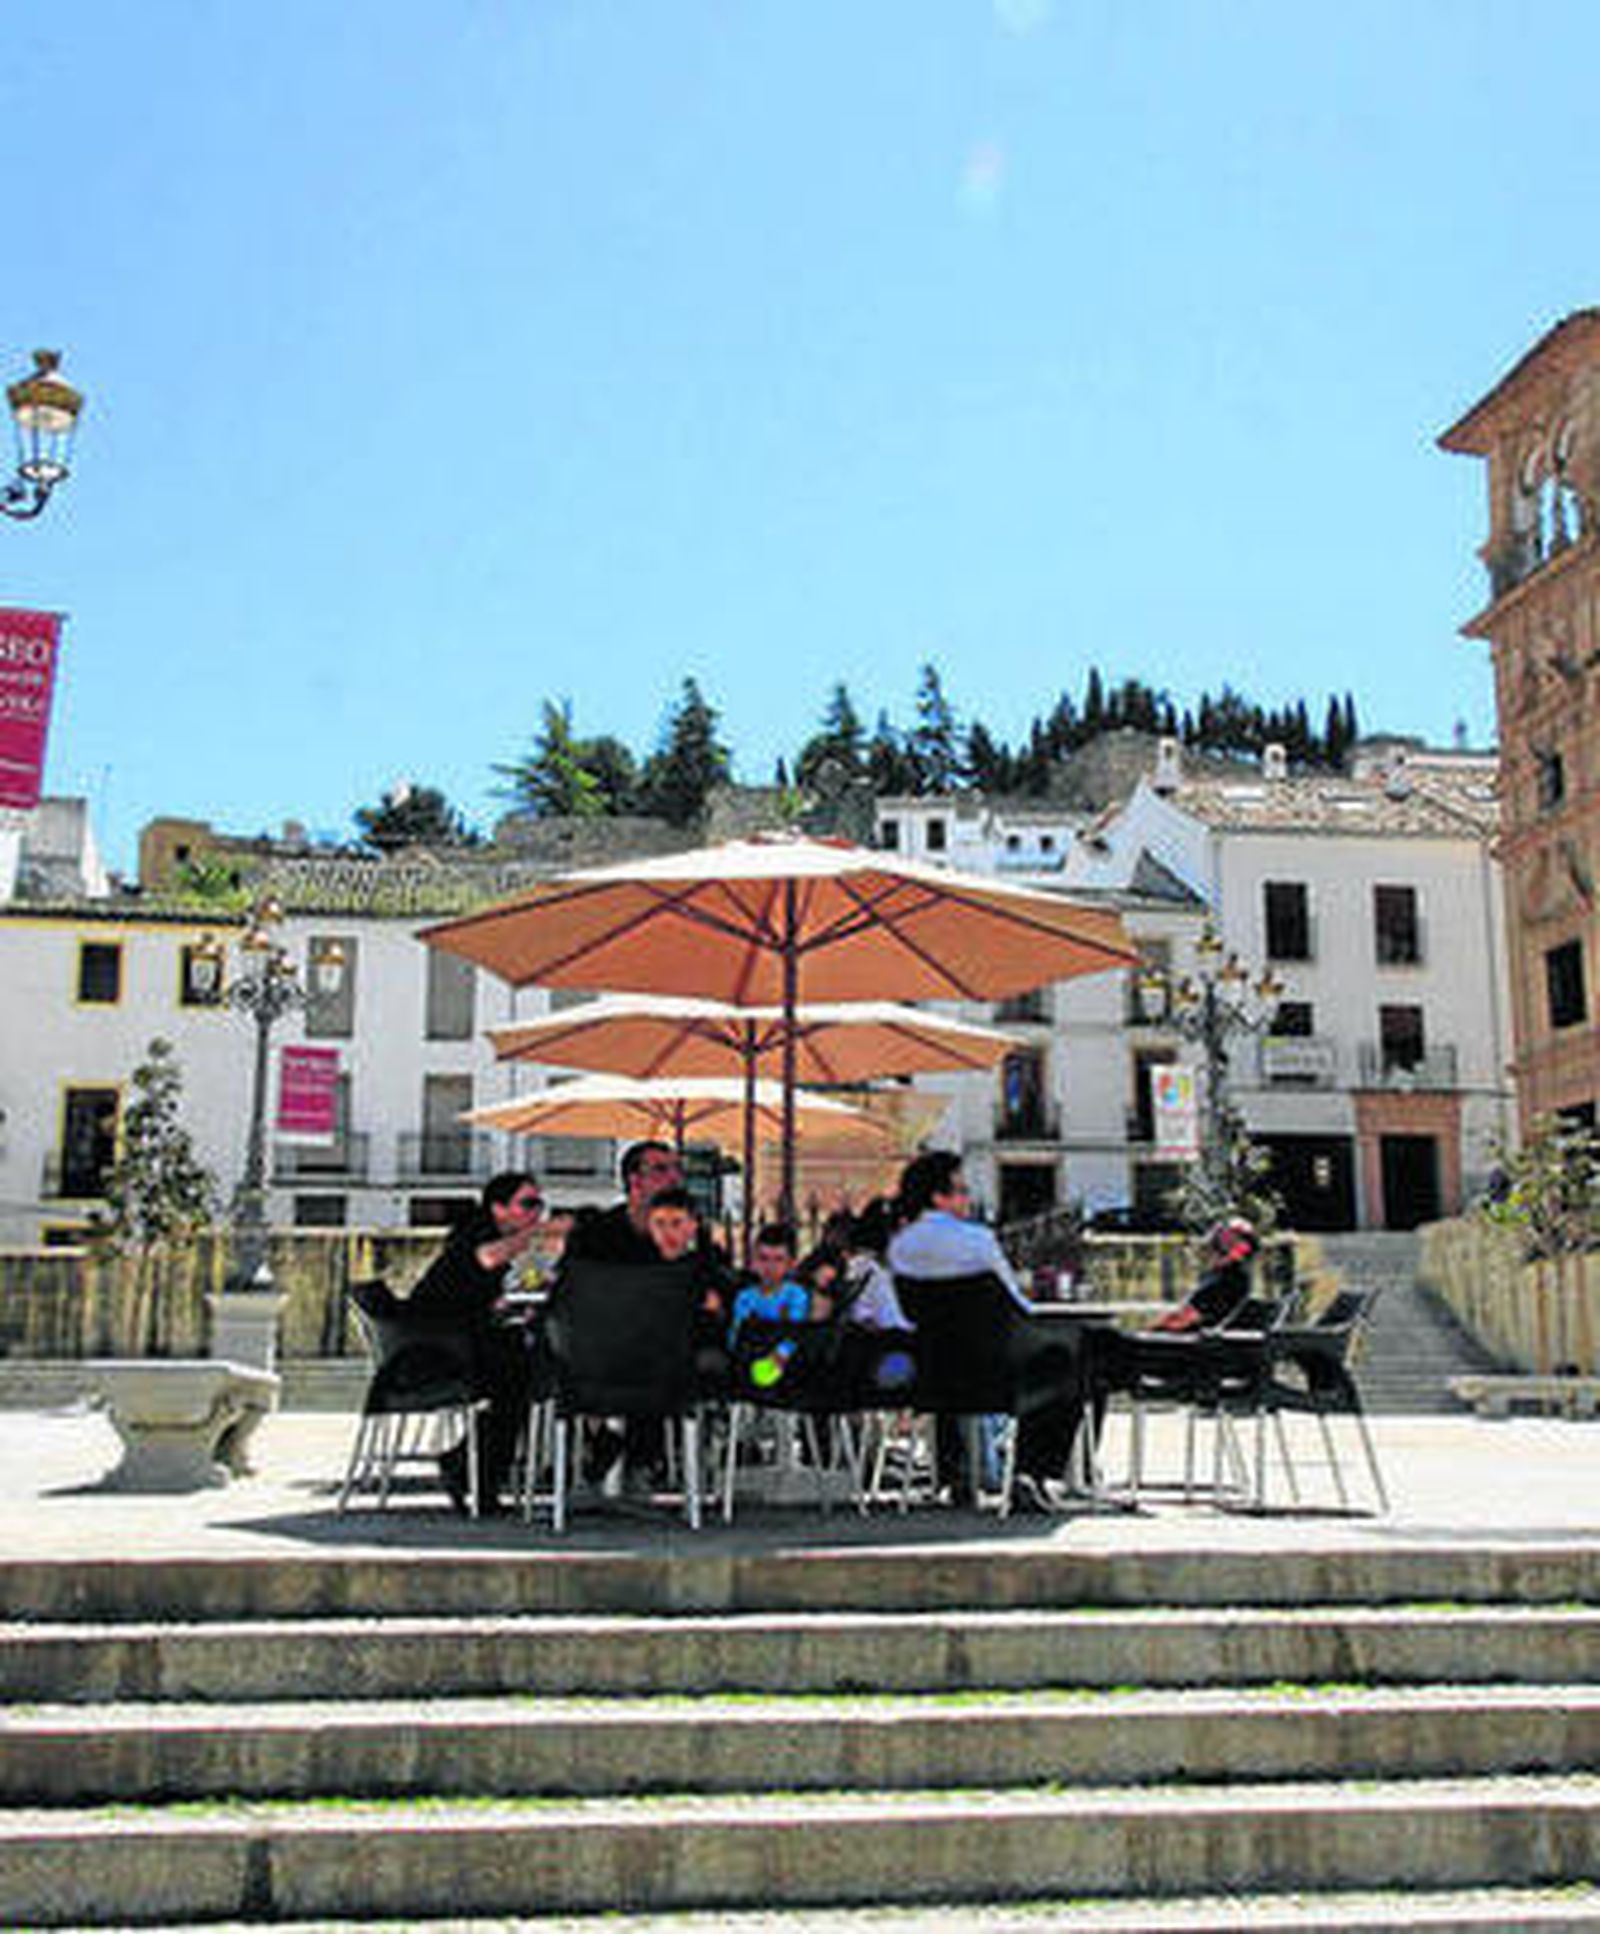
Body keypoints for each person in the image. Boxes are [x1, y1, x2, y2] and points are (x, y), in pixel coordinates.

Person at [886, 1150, 1085, 1513]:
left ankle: (956, 1474)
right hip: (996, 1377)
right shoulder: (977, 1240)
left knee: (952, 1351)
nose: (968, 1198)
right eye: (961, 1190)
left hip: (933, 1377)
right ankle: (1030, 1473)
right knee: (1068, 1368)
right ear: (938, 1197)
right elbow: (1015, 1305)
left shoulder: (899, 1249)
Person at [405, 1170, 545, 1516]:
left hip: (454, 1342)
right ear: (498, 1208)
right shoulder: (477, 1233)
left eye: (539, 1205)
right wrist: (538, 1234)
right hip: (437, 1352)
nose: (536, 1212)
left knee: (522, 1374)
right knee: (518, 1381)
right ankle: (474, 1475)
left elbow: (480, 1293)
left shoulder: (486, 1234)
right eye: (528, 1204)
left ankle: (467, 1467)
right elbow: (486, 1258)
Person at [1149, 1217, 1259, 1333]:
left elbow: (1194, 1317)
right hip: (1201, 1328)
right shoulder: (1220, 1274)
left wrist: (1160, 1327)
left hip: (1205, 1334)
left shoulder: (1232, 1277)